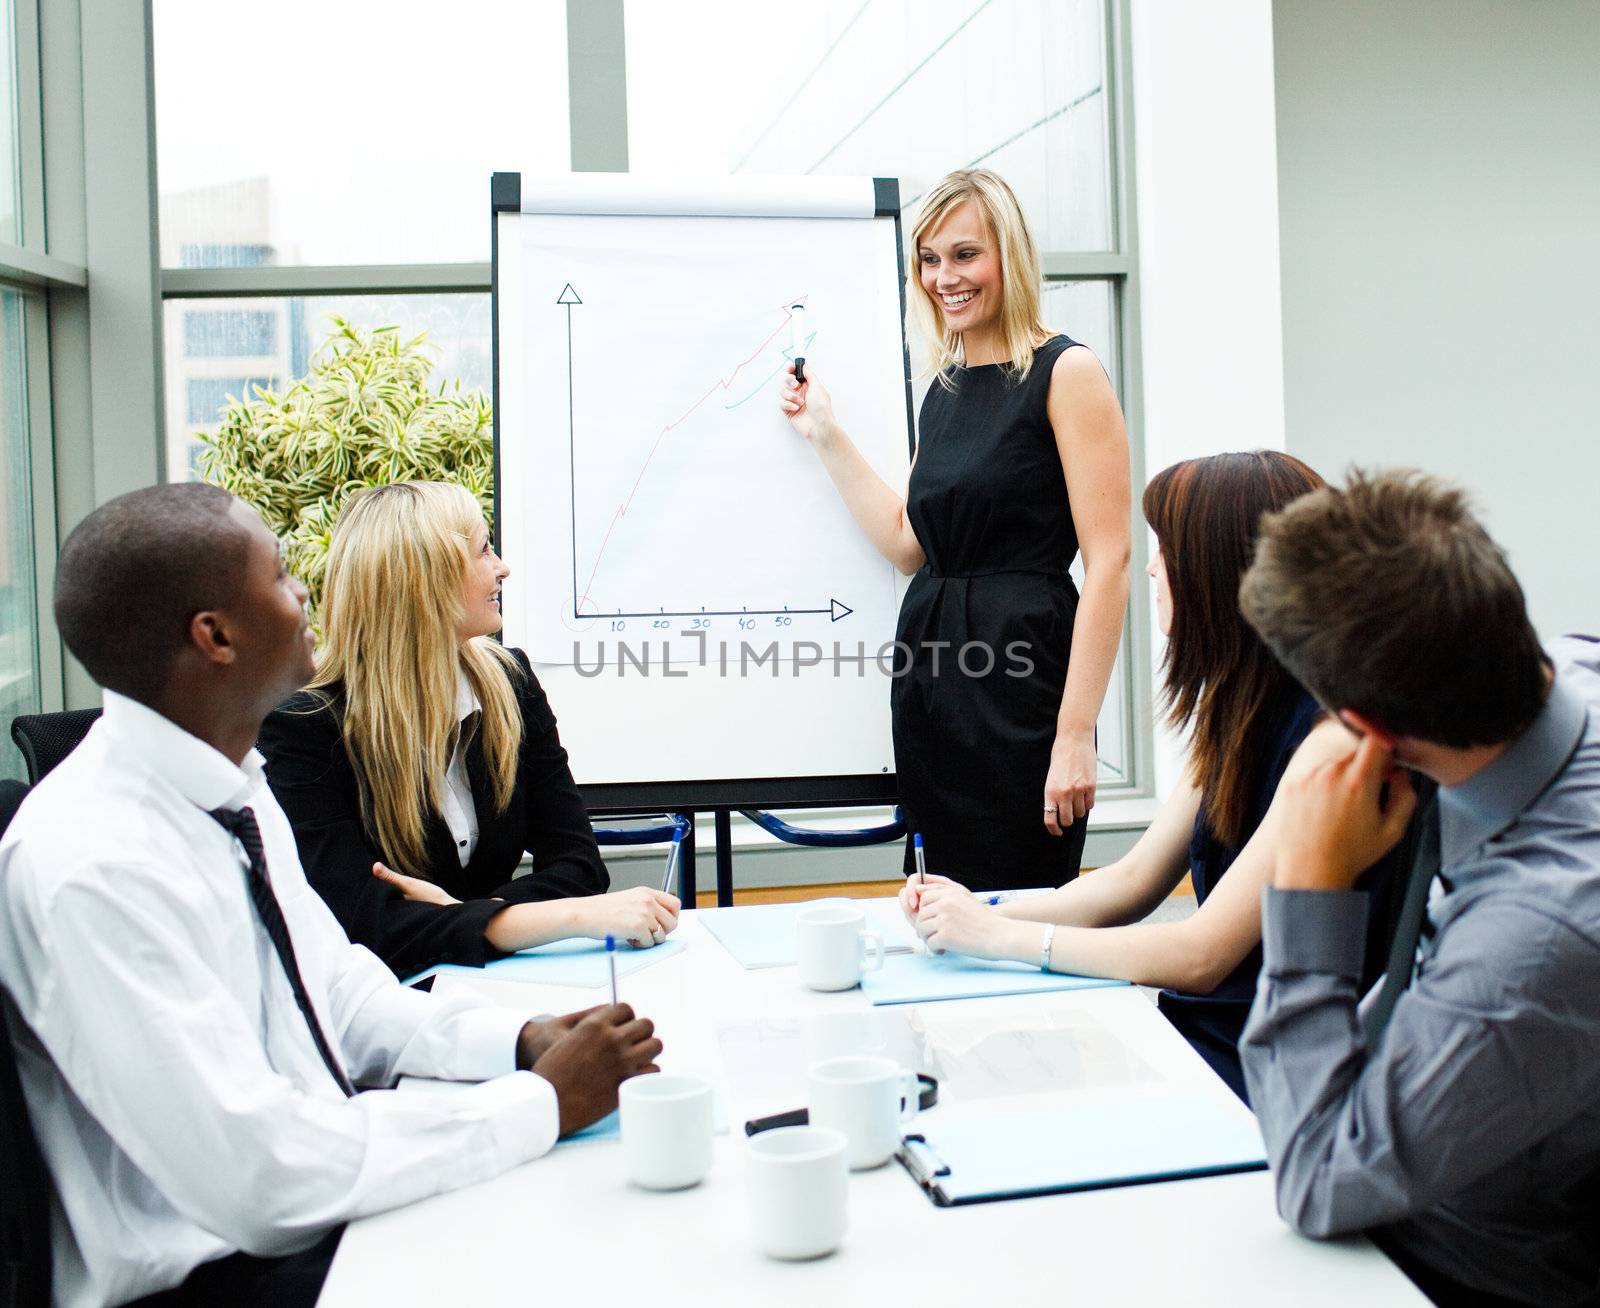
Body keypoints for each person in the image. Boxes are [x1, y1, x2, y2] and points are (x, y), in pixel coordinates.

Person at [0, 483, 662, 1308]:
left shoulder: (233, 790)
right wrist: (540, 1105)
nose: (307, 589)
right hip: (219, 1277)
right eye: (280, 576)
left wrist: (519, 1040)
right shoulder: (95, 863)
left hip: (309, 1214)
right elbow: (264, 1178)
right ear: (215, 636)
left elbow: (342, 995)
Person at [900, 451, 1404, 1099]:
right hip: (1217, 1036)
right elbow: (1130, 885)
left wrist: (997, 934)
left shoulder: (1332, 743)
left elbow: (1199, 956)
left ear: (1217, 571)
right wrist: (969, 908)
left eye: (1163, 548)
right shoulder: (1238, 710)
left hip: (1276, 1070)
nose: (1149, 565)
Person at [1235, 470, 1600, 1308]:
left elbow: (1321, 1182)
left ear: (1360, 729)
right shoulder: (1572, 666)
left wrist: (1310, 888)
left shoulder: (1537, 942)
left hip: (1463, 1270)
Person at [779, 168, 1131, 892]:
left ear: (1010, 255)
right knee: (948, 910)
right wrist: (825, 433)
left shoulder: (1068, 372)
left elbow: (1113, 563)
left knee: (1020, 913)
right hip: (936, 688)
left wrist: (1074, 737)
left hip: (1022, 687)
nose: (945, 277)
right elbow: (911, 543)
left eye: (965, 254)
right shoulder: (943, 387)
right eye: (930, 259)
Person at [257, 481, 680, 982]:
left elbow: (579, 865)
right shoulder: (302, 727)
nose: (502, 566)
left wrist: (454, 914)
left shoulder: (511, 683)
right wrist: (542, 918)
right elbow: (357, 926)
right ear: (425, 580)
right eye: (483, 550)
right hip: (387, 1014)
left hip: (505, 984)